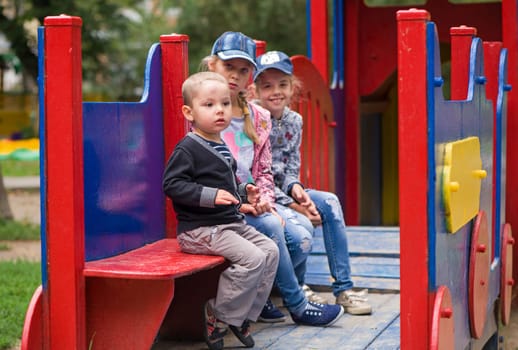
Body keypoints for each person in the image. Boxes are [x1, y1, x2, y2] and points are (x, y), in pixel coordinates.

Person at [202, 31, 344, 327]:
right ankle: (298, 305)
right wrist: (256, 207)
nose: (235, 76)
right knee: (272, 226)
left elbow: (264, 170)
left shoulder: (259, 117)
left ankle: (270, 292)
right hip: (220, 207)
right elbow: (200, 171)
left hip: (254, 200)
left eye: (243, 70)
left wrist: (267, 201)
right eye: (229, 67)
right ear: (212, 66)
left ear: (250, 76)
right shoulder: (204, 111)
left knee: (301, 235)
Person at [162, 71, 280, 350]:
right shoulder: (188, 148)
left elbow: (226, 189)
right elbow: (172, 185)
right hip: (200, 230)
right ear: (189, 112)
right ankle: (218, 314)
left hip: (229, 225)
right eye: (209, 105)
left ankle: (242, 317)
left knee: (270, 251)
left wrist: (243, 193)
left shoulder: (221, 144)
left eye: (225, 104)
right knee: (252, 258)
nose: (220, 111)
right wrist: (211, 196)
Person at [253, 50, 373, 315]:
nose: (276, 92)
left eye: (283, 85)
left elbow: (290, 168)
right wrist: (295, 207)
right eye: (267, 86)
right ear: (256, 91)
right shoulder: (253, 122)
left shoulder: (295, 121)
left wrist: (297, 191)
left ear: (292, 87)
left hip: (284, 192)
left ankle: (343, 288)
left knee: (329, 201)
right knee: (304, 222)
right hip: (262, 197)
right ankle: (298, 285)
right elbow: (257, 177)